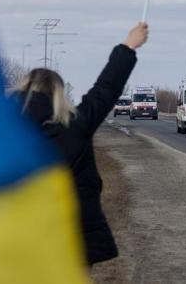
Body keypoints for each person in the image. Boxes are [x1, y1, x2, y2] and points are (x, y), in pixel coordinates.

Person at [13, 22, 148, 265]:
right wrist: (129, 45)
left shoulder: (1, 132)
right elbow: (106, 88)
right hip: (73, 242)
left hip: (19, 241)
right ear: (58, 94)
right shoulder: (75, 127)